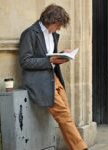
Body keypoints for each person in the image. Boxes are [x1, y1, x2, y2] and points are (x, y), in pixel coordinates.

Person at [19, 4, 88, 150]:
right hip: (40, 82)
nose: (59, 28)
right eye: (58, 25)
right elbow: (25, 61)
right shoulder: (30, 33)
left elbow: (49, 56)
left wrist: (63, 54)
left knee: (66, 115)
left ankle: (76, 147)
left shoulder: (52, 35)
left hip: (53, 79)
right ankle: (81, 148)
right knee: (64, 116)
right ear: (50, 20)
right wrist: (50, 60)